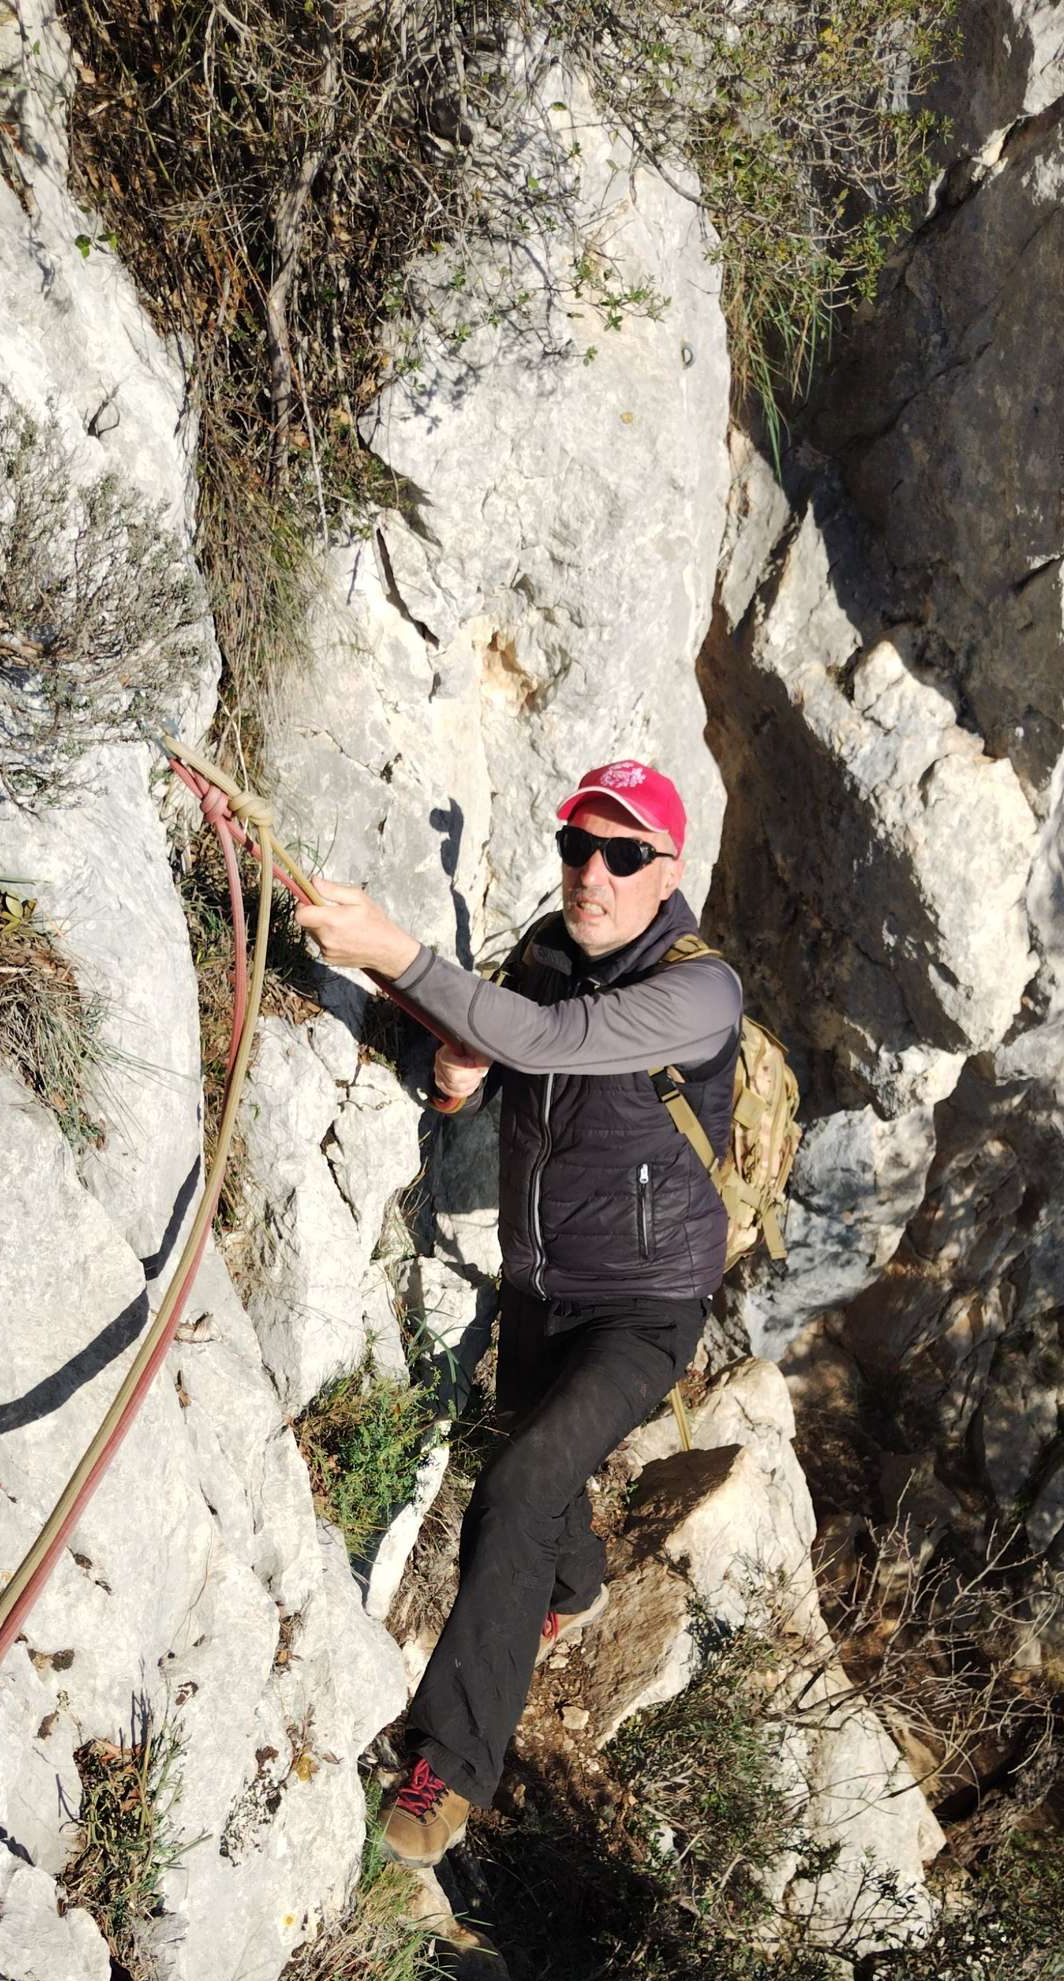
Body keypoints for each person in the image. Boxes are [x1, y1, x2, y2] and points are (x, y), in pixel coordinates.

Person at [293, 760, 744, 1866]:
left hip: (645, 1305)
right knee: (535, 1463)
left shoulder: (700, 994)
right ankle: (573, 1584)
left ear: (668, 871)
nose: (594, 872)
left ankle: (448, 1768)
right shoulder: (546, 951)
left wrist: (389, 947)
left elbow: (545, 1041)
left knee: (520, 1483)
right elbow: (501, 1055)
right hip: (541, 1281)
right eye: (578, 846)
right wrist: (461, 1076)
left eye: (624, 854)